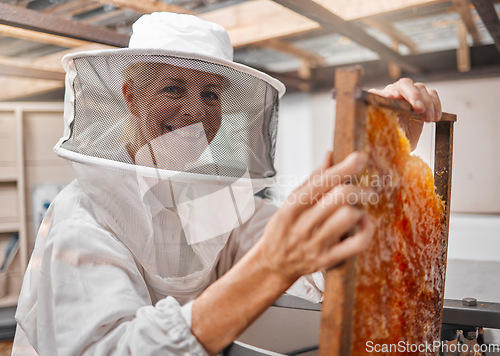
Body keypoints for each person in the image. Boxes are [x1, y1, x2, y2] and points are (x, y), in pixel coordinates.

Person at [12, 12, 442, 356]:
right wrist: (271, 266)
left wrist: (390, 144)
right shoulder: (83, 218)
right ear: (131, 96)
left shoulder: (212, 199)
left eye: (211, 94)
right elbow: (110, 349)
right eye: (173, 88)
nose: (195, 112)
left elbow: (321, 257)